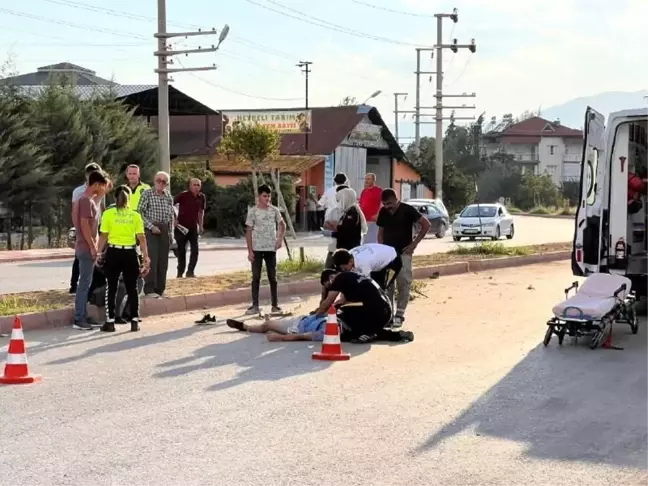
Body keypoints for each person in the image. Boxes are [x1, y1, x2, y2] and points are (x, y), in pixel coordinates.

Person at [97, 185, 150, 333]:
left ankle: (110, 322)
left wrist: (98, 253)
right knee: (132, 288)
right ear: (129, 199)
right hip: (130, 253)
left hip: (114, 252)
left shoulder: (108, 214)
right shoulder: (135, 215)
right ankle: (134, 321)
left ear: (115, 198)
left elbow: (103, 236)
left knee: (111, 287)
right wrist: (146, 257)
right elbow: (142, 238)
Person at [377, 188, 431, 328]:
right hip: (388, 255)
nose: (387, 207)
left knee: (404, 283)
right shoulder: (383, 212)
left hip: (404, 253)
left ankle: (399, 315)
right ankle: (388, 315)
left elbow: (426, 225)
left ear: (396, 199)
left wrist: (414, 244)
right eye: (384, 204)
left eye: (390, 203)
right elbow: (380, 233)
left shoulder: (408, 210)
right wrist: (382, 249)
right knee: (387, 285)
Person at [315, 269, 414, 344]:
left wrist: (316, 317)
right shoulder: (352, 276)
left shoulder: (339, 279)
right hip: (385, 311)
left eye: (328, 286)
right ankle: (396, 335)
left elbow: (329, 302)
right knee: (342, 311)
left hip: (378, 313)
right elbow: (340, 302)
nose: (330, 289)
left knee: (343, 320)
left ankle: (364, 333)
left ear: (331, 278)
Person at [72, 170, 110, 330]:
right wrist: (93, 247)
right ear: (95, 184)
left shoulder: (87, 200)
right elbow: (85, 226)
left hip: (85, 246)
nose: (103, 189)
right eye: (101, 186)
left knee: (86, 283)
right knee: (84, 284)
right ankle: (79, 318)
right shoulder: (86, 201)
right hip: (86, 247)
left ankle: (82, 314)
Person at [245, 184, 286, 315]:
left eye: (268, 196)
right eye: (264, 196)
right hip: (257, 248)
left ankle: (275, 305)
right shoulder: (253, 212)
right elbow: (248, 231)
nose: (267, 198)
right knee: (256, 277)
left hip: (270, 248)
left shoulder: (274, 210)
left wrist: (279, 239)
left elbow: (282, 224)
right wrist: (250, 251)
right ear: (259, 197)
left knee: (272, 277)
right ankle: (255, 305)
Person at [138, 171, 175, 298]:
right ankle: (150, 289)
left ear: (167, 184)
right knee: (151, 259)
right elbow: (140, 213)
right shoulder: (147, 194)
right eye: (158, 180)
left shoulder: (168, 196)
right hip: (151, 229)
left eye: (164, 181)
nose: (161, 183)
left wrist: (171, 234)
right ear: (154, 181)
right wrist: (151, 226)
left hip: (164, 229)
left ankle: (160, 289)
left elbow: (171, 217)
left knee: (163, 261)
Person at [69, 162, 104, 294]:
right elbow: (74, 211)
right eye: (91, 174)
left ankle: (94, 285)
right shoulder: (78, 192)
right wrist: (76, 228)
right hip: (83, 226)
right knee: (81, 257)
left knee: (95, 255)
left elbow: (101, 206)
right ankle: (74, 285)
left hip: (97, 225)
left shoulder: (100, 189)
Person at [331, 244, 402, 291]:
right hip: (377, 262)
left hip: (393, 260)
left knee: (380, 290)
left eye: (344, 267)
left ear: (351, 261)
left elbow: (366, 283)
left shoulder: (363, 262)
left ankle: (386, 311)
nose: (343, 270)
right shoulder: (348, 254)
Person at [174, 178, 206, 278]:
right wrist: (174, 219)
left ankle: (190, 272)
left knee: (195, 250)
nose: (196, 187)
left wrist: (201, 225)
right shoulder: (183, 195)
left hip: (193, 228)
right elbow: (170, 205)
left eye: (198, 185)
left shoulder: (202, 197)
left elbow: (201, 211)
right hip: (181, 227)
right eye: (194, 185)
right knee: (181, 251)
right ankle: (180, 273)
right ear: (190, 186)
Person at [225, 313, 327, 342]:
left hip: (297, 327)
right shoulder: (335, 317)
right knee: (269, 325)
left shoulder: (327, 332)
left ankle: (245, 327)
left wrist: (279, 338)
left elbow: (302, 336)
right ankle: (269, 323)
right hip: (302, 319)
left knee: (267, 325)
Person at [326, 187, 367, 251]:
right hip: (345, 247)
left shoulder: (352, 213)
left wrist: (330, 233)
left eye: (340, 200)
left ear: (345, 199)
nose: (339, 203)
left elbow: (345, 232)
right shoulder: (348, 212)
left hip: (349, 248)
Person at [359, 173, 382, 244]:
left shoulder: (379, 190)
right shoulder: (364, 191)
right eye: (365, 179)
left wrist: (378, 215)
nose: (366, 181)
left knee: (372, 241)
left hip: (373, 220)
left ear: (374, 180)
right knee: (364, 241)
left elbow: (382, 204)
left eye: (368, 179)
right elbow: (360, 204)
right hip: (364, 220)